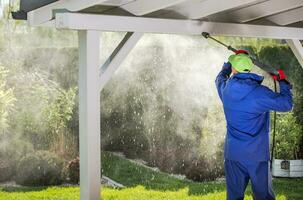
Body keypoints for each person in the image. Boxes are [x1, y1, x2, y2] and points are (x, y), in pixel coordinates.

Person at [215, 51, 293, 200]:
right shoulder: (260, 93)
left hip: (234, 154)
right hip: (256, 155)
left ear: (234, 70)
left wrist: (227, 65)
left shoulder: (226, 90)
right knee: (263, 197)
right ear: (249, 69)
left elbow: (219, 78)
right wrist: (283, 82)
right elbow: (287, 104)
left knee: (234, 197)